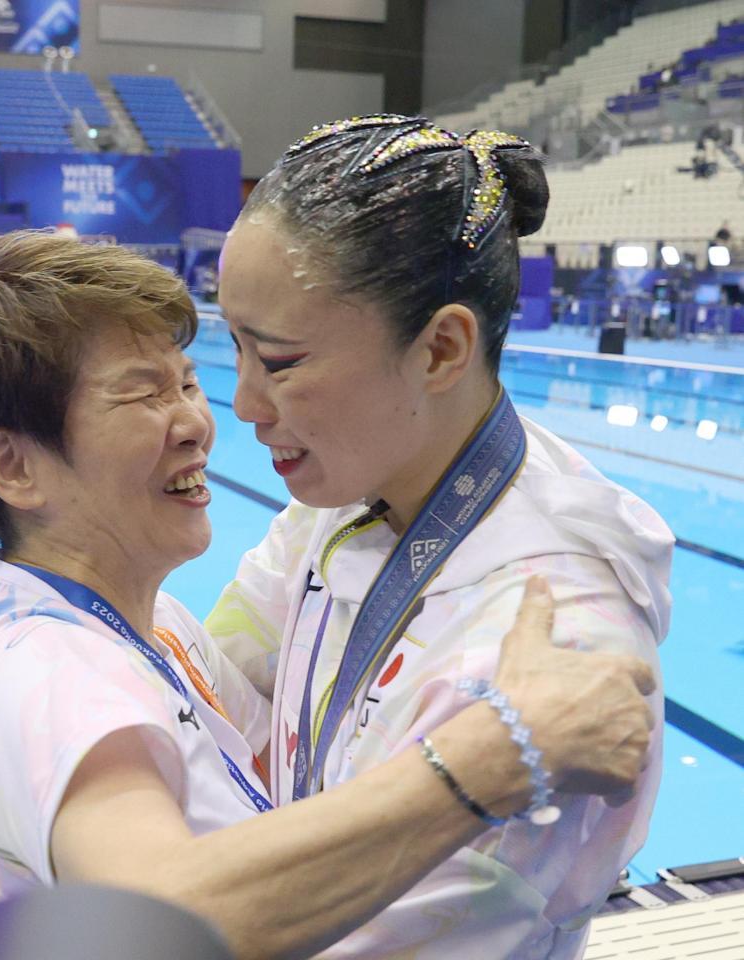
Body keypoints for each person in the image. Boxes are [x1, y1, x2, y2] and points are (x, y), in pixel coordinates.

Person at [0, 229, 655, 958]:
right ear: (13, 466)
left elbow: (290, 745)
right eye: (141, 395)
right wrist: (495, 753)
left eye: (190, 381)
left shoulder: (140, 625)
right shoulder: (49, 669)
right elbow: (154, 921)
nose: (201, 421)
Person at [206, 116, 673, 958]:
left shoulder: (551, 654)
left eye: (278, 364)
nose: (242, 403)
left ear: (442, 349)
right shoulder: (354, 488)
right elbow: (213, 692)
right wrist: (76, 649)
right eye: (233, 347)